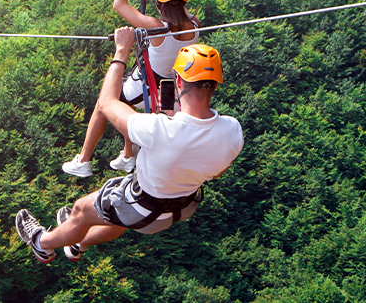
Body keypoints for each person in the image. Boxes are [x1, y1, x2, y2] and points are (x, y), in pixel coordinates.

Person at [16, 28, 244, 263]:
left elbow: (106, 103)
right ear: (215, 85)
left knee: (80, 210)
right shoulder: (232, 131)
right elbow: (217, 171)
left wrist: (121, 51)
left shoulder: (158, 129)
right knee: (118, 215)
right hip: (180, 208)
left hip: (142, 208)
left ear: (178, 80)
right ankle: (78, 244)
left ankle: (41, 244)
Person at [62, 0, 201, 177]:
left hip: (148, 85)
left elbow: (119, 5)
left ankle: (83, 160)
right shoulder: (195, 25)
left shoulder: (156, 27)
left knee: (104, 102)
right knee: (128, 104)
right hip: (170, 88)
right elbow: (178, 6)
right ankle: (128, 156)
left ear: (158, 4)